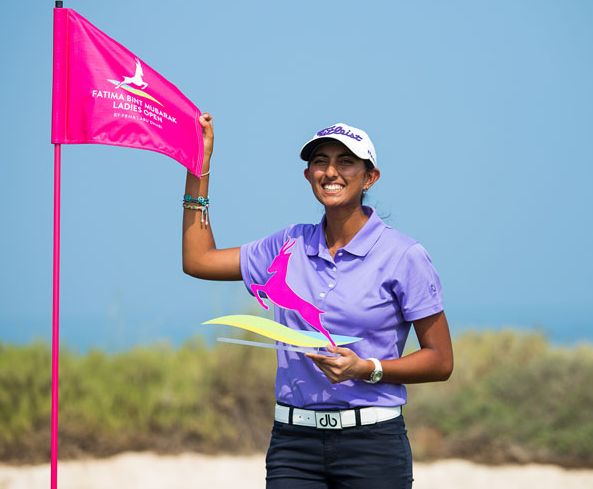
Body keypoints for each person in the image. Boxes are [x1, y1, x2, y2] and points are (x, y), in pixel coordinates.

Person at [183, 114, 453, 489]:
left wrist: (368, 368)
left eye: (346, 161)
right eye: (320, 161)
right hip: (294, 446)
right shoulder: (287, 244)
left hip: (373, 446)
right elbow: (198, 261)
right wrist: (199, 164)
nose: (331, 171)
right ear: (309, 175)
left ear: (369, 177)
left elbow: (440, 361)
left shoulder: (404, 255)